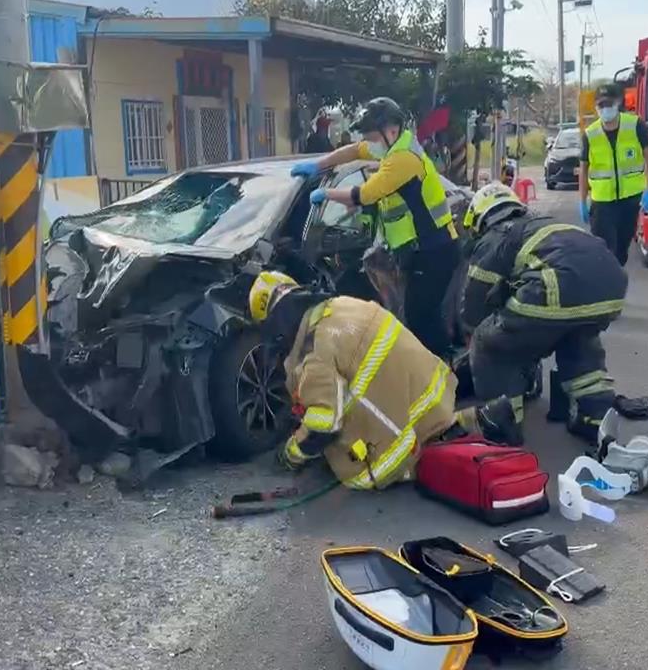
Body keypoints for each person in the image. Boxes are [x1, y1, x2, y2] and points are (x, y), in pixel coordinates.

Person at [248, 271, 458, 489]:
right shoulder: (345, 305)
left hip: (405, 446)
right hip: (439, 404)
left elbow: (324, 427)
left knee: (338, 461)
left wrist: (290, 453)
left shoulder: (315, 352)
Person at [456, 183, 628, 445]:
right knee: (577, 338)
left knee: (488, 341)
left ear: (480, 218)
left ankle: (503, 420)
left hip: (554, 289)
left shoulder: (497, 235)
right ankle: (593, 416)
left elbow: (474, 307)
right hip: (611, 289)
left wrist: (481, 333)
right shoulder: (544, 224)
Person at [290, 97, 460, 358]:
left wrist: (327, 195)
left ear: (391, 130)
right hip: (417, 250)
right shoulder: (391, 147)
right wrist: (319, 165)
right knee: (418, 316)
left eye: (372, 136)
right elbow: (355, 150)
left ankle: (444, 373)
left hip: (435, 250)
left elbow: (364, 195)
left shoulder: (403, 159)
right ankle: (434, 371)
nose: (370, 143)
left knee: (422, 317)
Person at [579, 83, 648, 265]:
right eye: (601, 105)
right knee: (605, 251)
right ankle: (607, 287)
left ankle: (614, 278)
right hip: (601, 203)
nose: (605, 109)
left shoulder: (635, 125)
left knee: (621, 251)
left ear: (618, 103)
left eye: (609, 104)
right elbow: (583, 170)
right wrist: (582, 201)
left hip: (630, 200)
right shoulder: (590, 134)